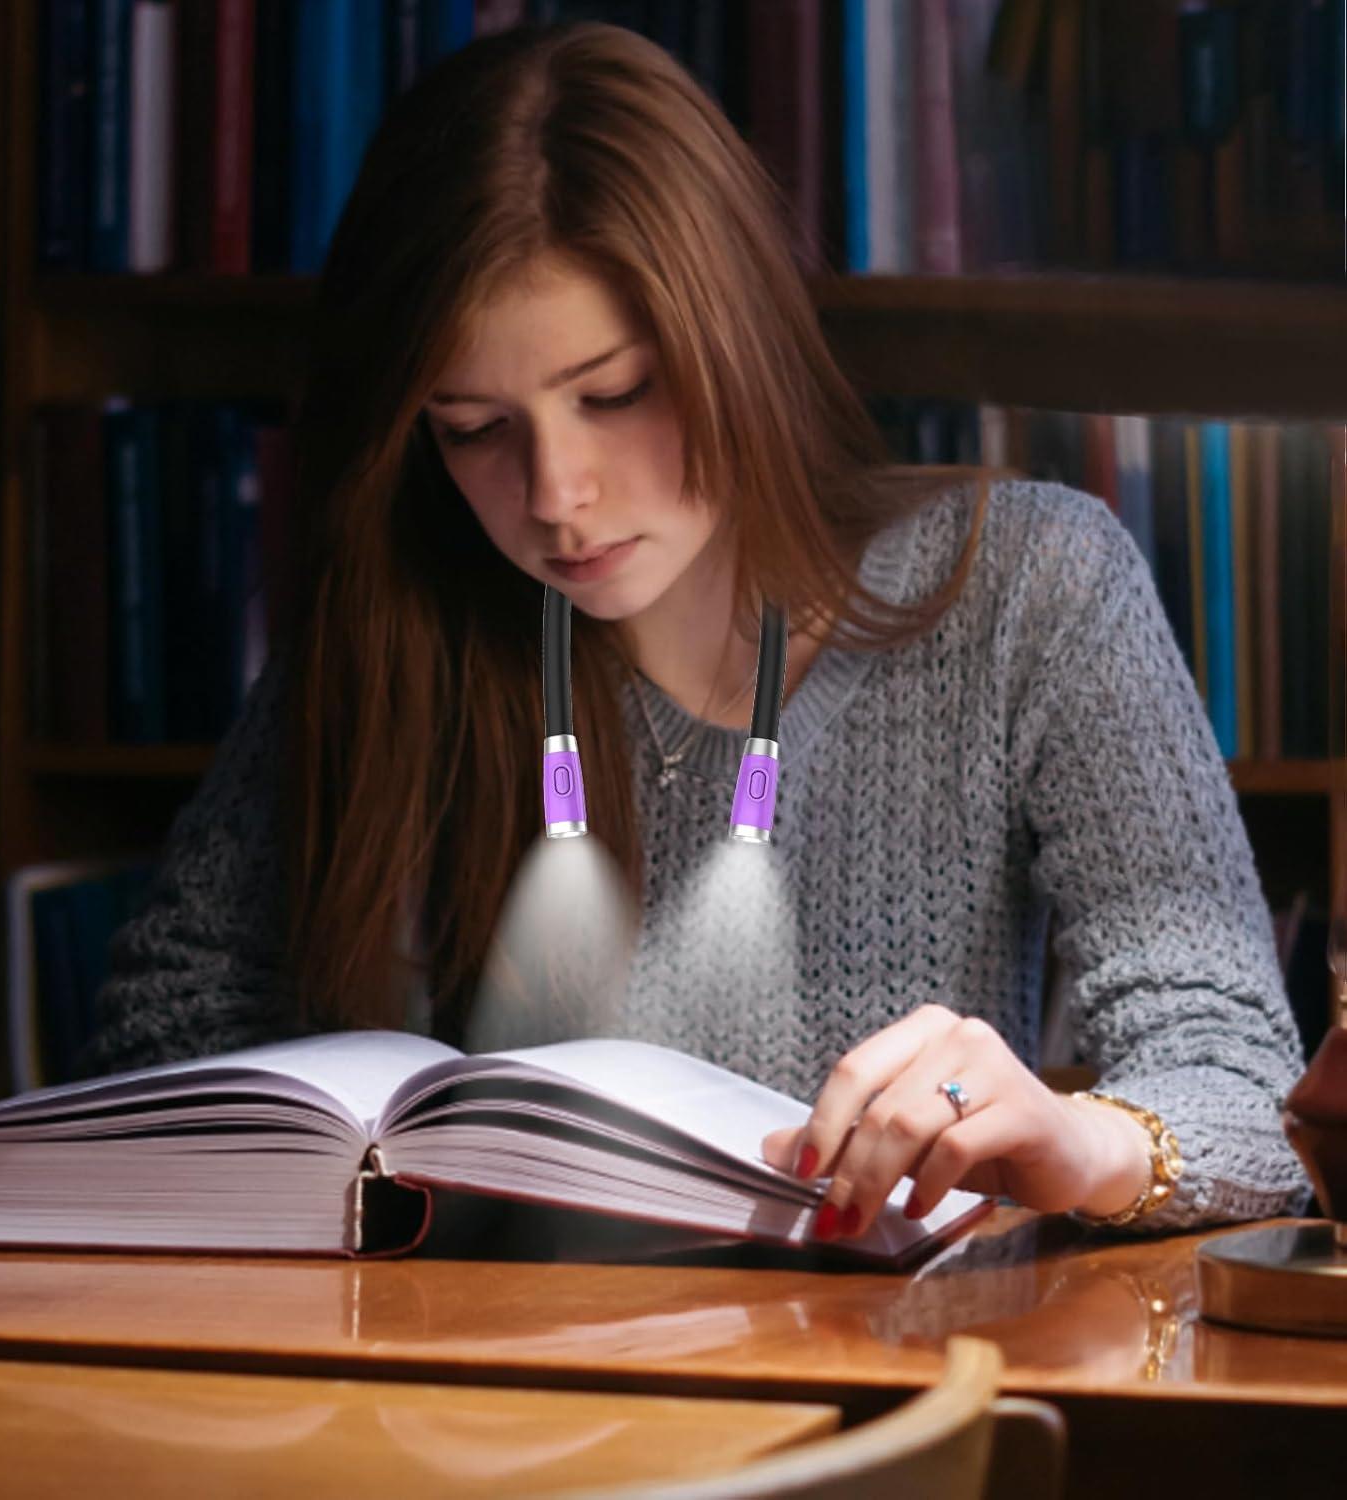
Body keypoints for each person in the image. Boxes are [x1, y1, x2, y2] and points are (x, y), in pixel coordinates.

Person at [86, 22, 1311, 1239]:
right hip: (476, 1401)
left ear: (737, 341)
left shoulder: (1032, 585)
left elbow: (1249, 1091)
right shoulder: (412, 617)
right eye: (471, 427)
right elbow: (163, 1023)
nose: (557, 496)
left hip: (871, 1398)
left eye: (614, 395)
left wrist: (1072, 1136)